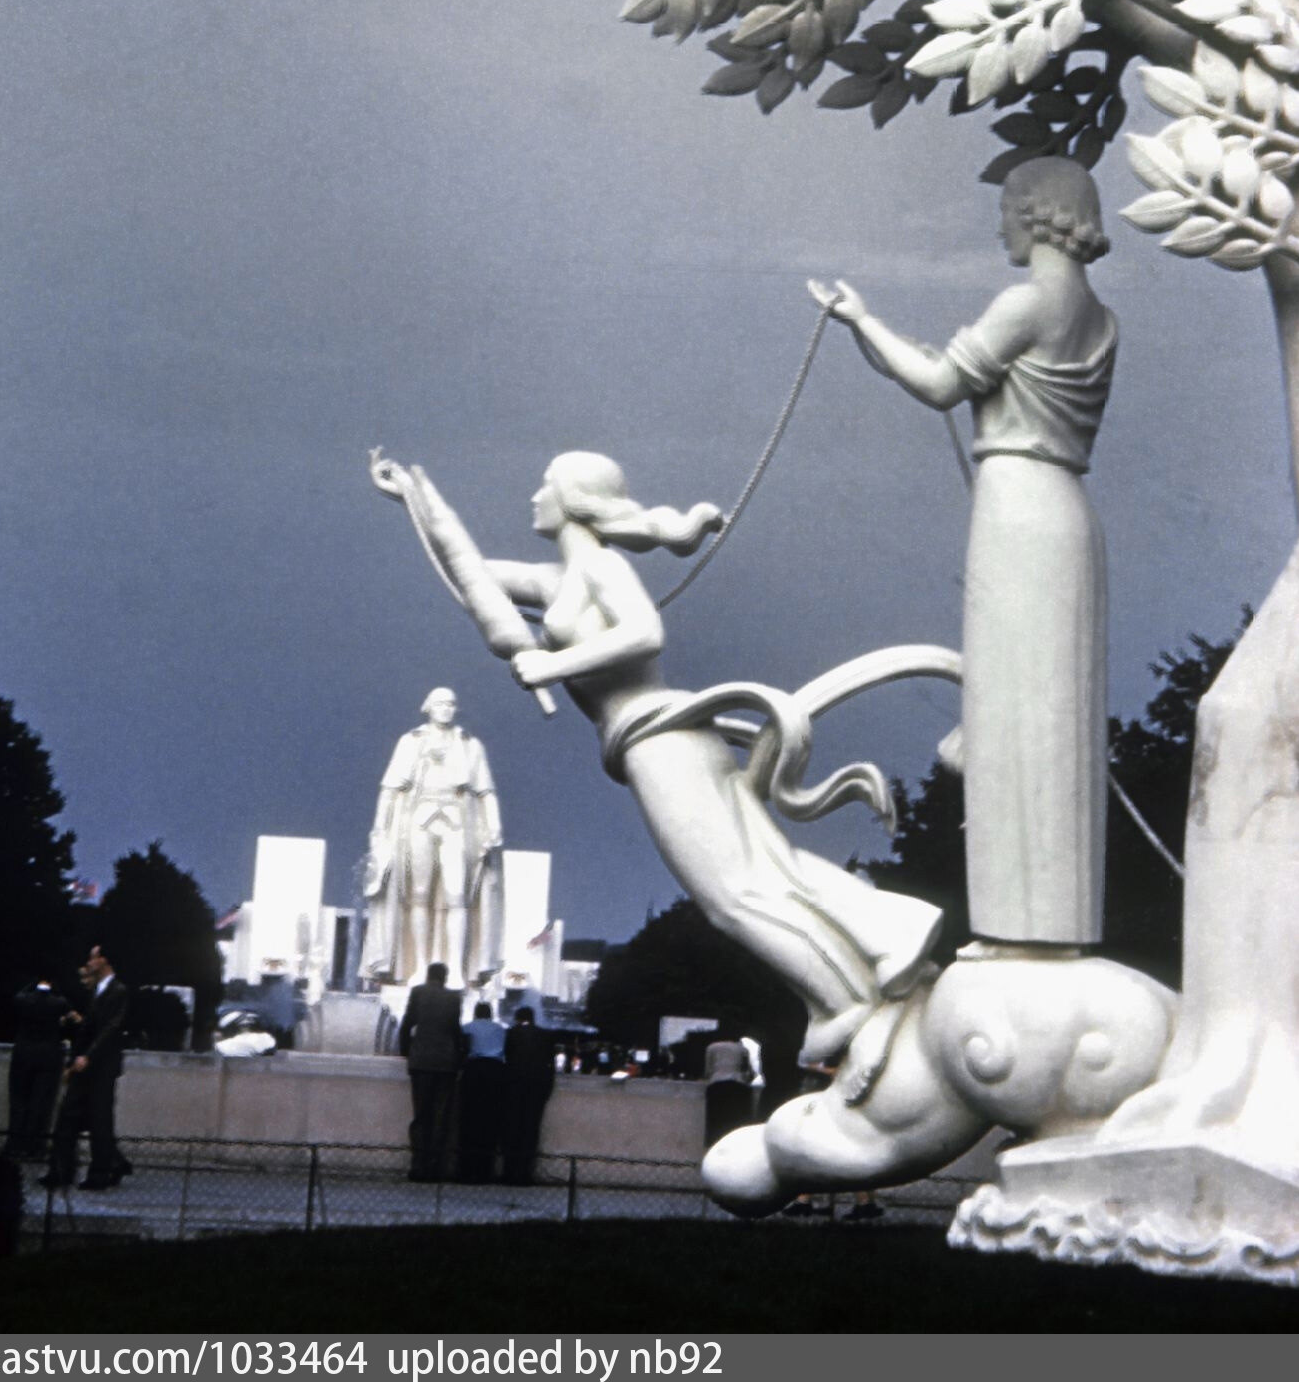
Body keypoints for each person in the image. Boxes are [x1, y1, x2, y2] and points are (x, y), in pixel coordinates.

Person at [374, 447, 942, 1066]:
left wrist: (554, 664)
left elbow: (646, 633)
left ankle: (842, 1000)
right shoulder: (551, 580)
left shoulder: (603, 569)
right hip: (661, 740)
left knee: (732, 897)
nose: (534, 497)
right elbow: (467, 572)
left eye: (545, 485)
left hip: (658, 739)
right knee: (767, 865)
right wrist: (415, 499)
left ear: (574, 501)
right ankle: (892, 934)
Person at [809, 156, 1116, 946]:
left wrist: (861, 321)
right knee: (1049, 717)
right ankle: (1052, 921)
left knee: (1011, 713)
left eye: (1008, 208)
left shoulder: (1025, 303)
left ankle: (1015, 927)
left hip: (1016, 509)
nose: (999, 224)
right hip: (1066, 513)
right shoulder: (1100, 317)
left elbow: (939, 385)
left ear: (1038, 214)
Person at [363, 689, 503, 988]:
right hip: (419, 819)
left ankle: (455, 969)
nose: (446, 708)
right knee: (419, 893)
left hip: (457, 821)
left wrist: (494, 826)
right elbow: (390, 790)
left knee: (457, 894)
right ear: (428, 707)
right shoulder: (411, 741)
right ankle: (420, 966)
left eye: (451, 704)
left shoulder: (469, 744)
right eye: (440, 703)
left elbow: (486, 791)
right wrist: (379, 829)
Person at [42, 944, 132, 1192]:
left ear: (104, 960)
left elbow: (111, 1029)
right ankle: (62, 1170)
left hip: (100, 1067)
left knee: (99, 1121)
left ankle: (98, 1173)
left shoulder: (118, 991)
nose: (89, 963)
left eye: (93, 958)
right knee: (69, 1117)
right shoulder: (101, 990)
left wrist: (87, 1056)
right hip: (88, 1064)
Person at [398, 961, 465, 1181]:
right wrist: (459, 1058)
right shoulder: (454, 998)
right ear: (445, 977)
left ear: (428, 976)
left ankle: (419, 1165)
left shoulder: (418, 993)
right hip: (446, 1063)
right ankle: (436, 1167)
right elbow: (456, 1031)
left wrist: (406, 1052)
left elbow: (407, 1024)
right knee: (441, 1116)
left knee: (421, 1115)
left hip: (421, 1061)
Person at [4, 975, 69, 1161]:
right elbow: (66, 1010)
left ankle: (14, 1145)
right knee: (40, 1103)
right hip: (48, 1056)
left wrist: (30, 985)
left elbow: (18, 995)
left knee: (18, 1101)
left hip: (23, 1053)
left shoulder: (23, 999)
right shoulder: (59, 1003)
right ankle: (33, 1146)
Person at [502, 1005, 556, 1184]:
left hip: (514, 1086)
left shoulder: (511, 1034)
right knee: (530, 1130)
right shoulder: (545, 1035)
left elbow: (506, 1058)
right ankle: (525, 1174)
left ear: (517, 1018)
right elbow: (550, 1064)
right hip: (536, 1087)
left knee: (512, 1129)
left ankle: (509, 1172)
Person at [456, 999, 505, 1182]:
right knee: (490, 1121)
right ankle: (485, 1170)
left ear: (475, 1013)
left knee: (468, 1119)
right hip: (495, 1073)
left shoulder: (467, 1027)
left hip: (473, 1071)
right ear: (490, 1014)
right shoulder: (500, 1030)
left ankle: (466, 1170)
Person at [702, 1026, 754, 1146]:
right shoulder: (742, 1049)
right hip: (738, 1085)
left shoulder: (711, 1047)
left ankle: (713, 1143)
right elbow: (748, 1071)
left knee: (715, 1118)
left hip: (717, 1083)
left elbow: (708, 1071)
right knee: (736, 1119)